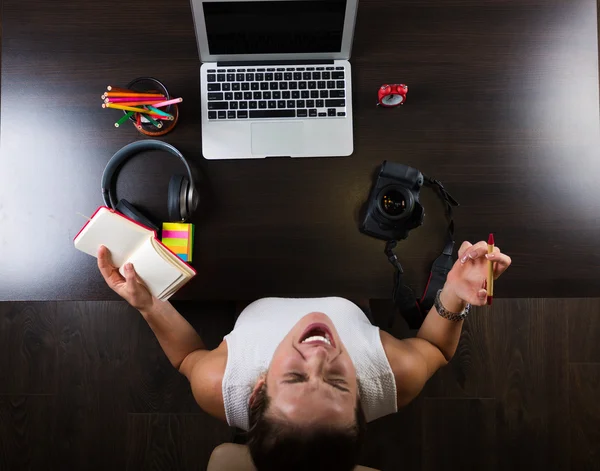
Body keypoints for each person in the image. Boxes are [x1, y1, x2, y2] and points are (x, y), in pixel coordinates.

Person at [97, 240, 511, 471]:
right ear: (362, 401)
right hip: (347, 281)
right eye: (336, 381)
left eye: (295, 379)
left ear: (258, 388)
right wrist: (456, 292)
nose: (318, 356)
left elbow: (187, 355)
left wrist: (149, 304)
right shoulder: (393, 376)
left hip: (253, 282)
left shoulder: (217, 383)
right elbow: (436, 348)